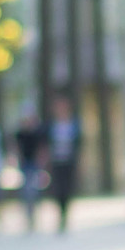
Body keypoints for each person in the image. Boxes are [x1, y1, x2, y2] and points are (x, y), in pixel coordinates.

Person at [42, 96, 81, 232]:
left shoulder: (73, 123)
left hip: (69, 160)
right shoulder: (52, 125)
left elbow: (78, 143)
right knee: (58, 188)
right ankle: (60, 212)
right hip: (56, 160)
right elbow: (47, 142)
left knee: (67, 187)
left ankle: (66, 213)